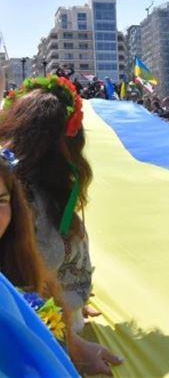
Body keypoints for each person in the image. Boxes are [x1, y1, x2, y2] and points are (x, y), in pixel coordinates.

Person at [0, 76, 122, 375]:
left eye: (1, 200)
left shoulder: (41, 196)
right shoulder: (25, 198)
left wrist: (72, 307)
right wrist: (72, 343)